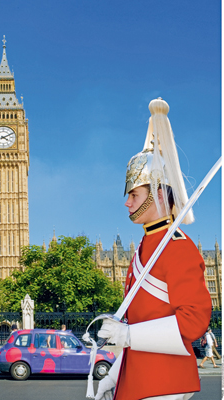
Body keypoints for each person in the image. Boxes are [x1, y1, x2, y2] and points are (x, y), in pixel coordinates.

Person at [96, 98, 212, 400]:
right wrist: (114, 374)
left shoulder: (178, 248)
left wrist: (128, 335)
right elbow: (138, 325)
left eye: (134, 194)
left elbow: (195, 320)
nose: (127, 202)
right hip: (136, 383)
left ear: (159, 194)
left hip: (165, 385)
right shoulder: (144, 249)